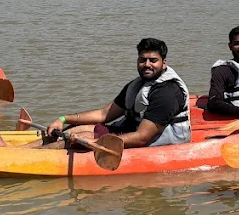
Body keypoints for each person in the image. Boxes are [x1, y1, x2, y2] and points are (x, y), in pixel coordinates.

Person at [44, 38, 191, 148]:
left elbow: (142, 137)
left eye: (153, 60)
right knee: (75, 130)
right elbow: (103, 114)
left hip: (157, 141)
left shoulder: (167, 93)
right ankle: (25, 153)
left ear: (164, 63)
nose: (147, 65)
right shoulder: (137, 85)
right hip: (130, 130)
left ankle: (33, 159)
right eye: (142, 60)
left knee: (79, 139)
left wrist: (95, 141)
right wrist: (63, 119)